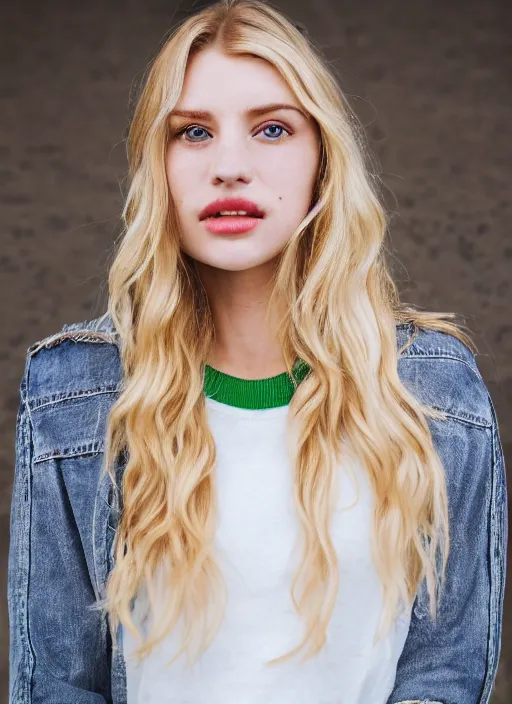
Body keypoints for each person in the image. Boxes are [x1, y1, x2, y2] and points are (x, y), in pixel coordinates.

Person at [8, 1, 507, 703]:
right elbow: (57, 683)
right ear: (157, 166)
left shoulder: (430, 392)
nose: (230, 167)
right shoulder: (79, 390)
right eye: (193, 133)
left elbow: (445, 673)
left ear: (322, 159)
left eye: (272, 128)